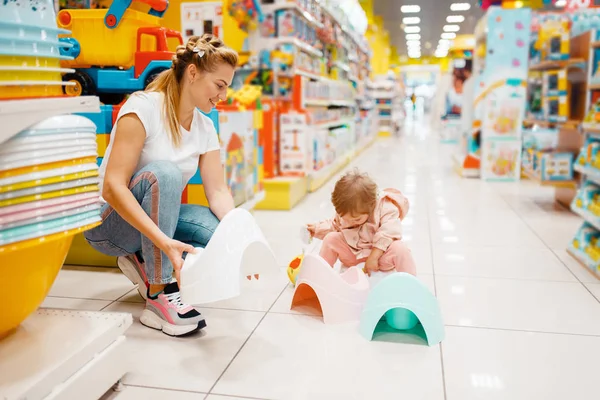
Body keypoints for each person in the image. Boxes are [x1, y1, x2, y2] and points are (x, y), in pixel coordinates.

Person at [83, 34, 238, 337]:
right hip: (108, 224)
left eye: (226, 88)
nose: (223, 95)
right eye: (219, 85)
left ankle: (145, 258)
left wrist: (241, 240)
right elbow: (112, 187)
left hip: (154, 216)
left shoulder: (205, 125)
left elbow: (218, 192)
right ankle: (158, 293)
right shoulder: (142, 108)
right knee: (164, 174)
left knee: (220, 233)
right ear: (192, 73)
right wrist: (163, 242)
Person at [306, 169, 416, 277]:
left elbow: (389, 232)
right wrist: (316, 229)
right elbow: (333, 225)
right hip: (354, 256)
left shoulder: (385, 206)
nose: (350, 222)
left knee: (400, 249)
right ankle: (321, 277)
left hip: (381, 257)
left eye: (356, 219)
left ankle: (411, 285)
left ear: (372, 206)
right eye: (345, 218)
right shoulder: (346, 212)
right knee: (331, 239)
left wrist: (374, 257)